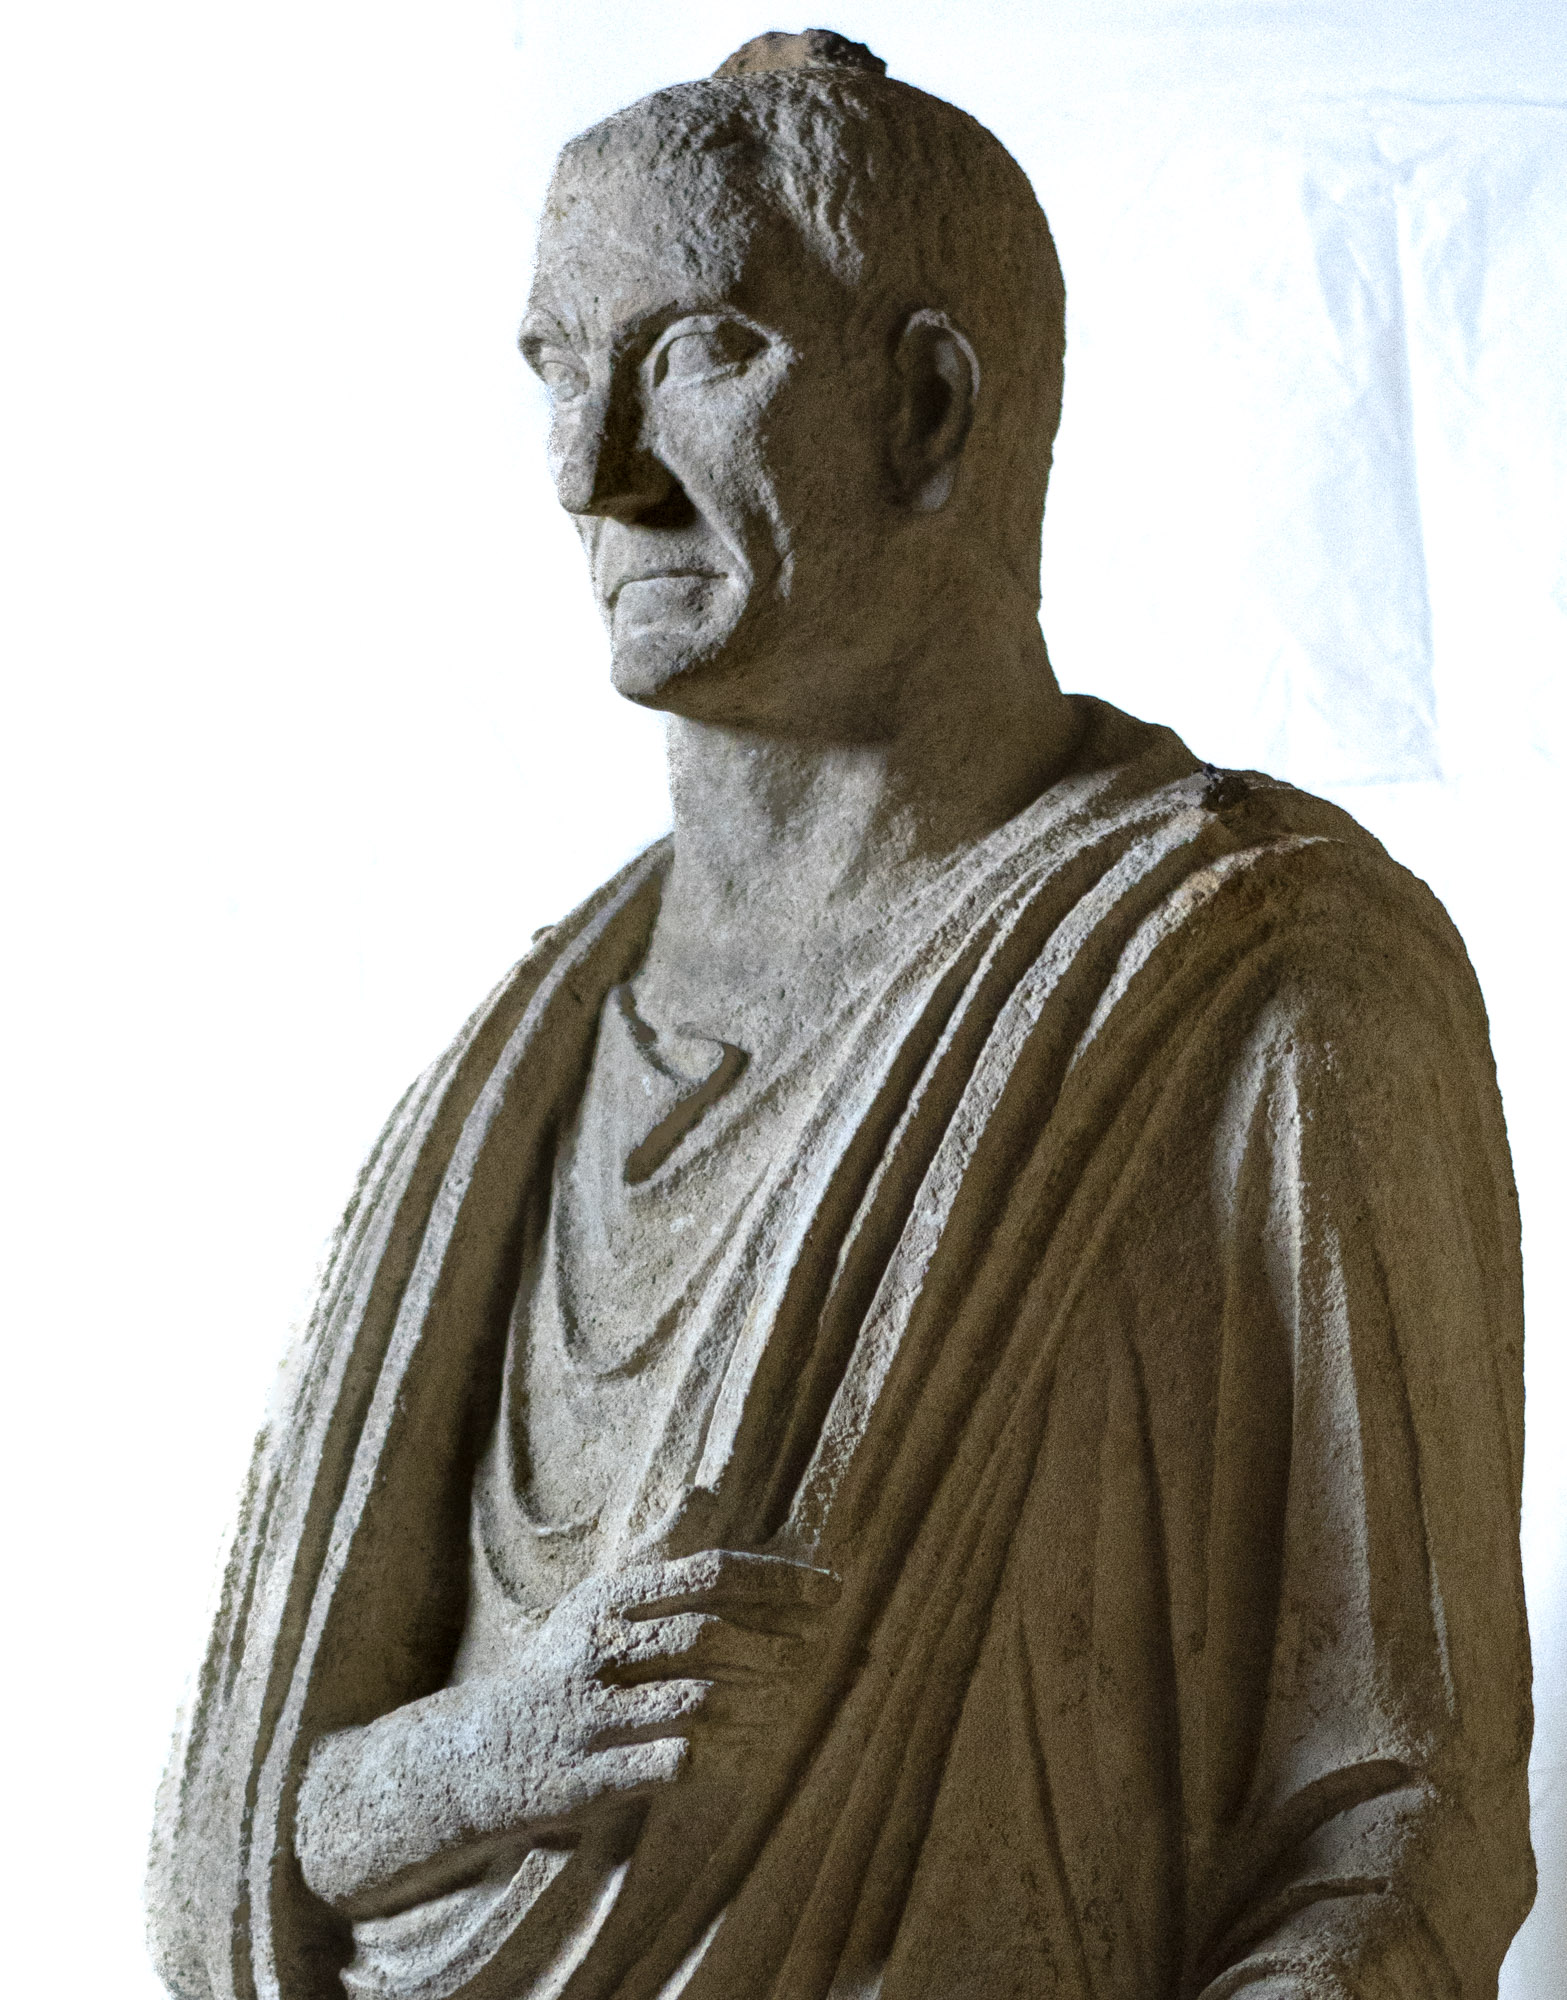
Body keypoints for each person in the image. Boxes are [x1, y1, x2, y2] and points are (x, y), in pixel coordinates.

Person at [148, 30, 1533, 2000]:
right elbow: (256, 1834)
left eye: (697, 352)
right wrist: (505, 1743)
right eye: (552, 366)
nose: (592, 474)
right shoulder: (512, 1066)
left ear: (928, 407)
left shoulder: (1266, 984)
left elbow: (1404, 1823)